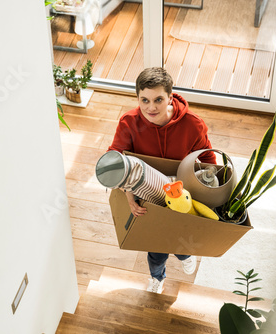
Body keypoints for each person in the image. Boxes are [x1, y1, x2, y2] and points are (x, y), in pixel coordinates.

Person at [107, 67, 216, 294]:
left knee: (180, 234)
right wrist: (128, 191)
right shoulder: (128, 123)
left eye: (158, 99)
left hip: (182, 189)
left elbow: (207, 159)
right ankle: (157, 277)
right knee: (157, 245)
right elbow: (115, 160)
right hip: (145, 191)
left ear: (170, 96)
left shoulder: (193, 124)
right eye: (144, 100)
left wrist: (203, 188)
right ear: (137, 98)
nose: (151, 107)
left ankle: (185, 254)